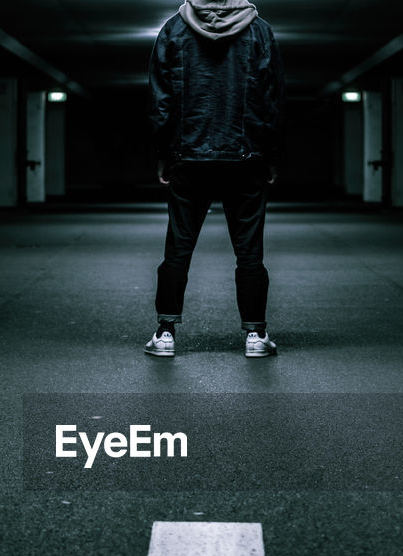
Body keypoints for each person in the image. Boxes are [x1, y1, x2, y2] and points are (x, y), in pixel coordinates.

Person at [144, 0, 285, 358]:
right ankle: (255, 335)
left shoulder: (174, 30)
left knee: (179, 244)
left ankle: (165, 332)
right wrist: (270, 156)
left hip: (188, 156)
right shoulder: (260, 31)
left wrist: (163, 153)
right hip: (246, 156)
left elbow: (161, 99)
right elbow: (271, 97)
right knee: (249, 250)